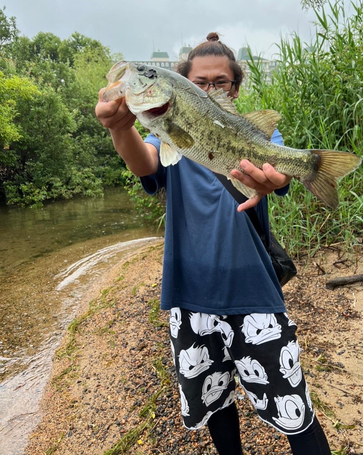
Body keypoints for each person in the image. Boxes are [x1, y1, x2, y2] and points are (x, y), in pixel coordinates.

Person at [95, 32, 331, 455]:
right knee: (215, 403)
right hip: (190, 296)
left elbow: (274, 173)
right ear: (182, 86)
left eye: (220, 82)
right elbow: (144, 162)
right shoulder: (165, 135)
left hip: (254, 293)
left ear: (234, 89)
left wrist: (287, 174)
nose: (210, 88)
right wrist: (118, 129)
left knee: (293, 407)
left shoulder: (261, 140)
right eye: (200, 82)